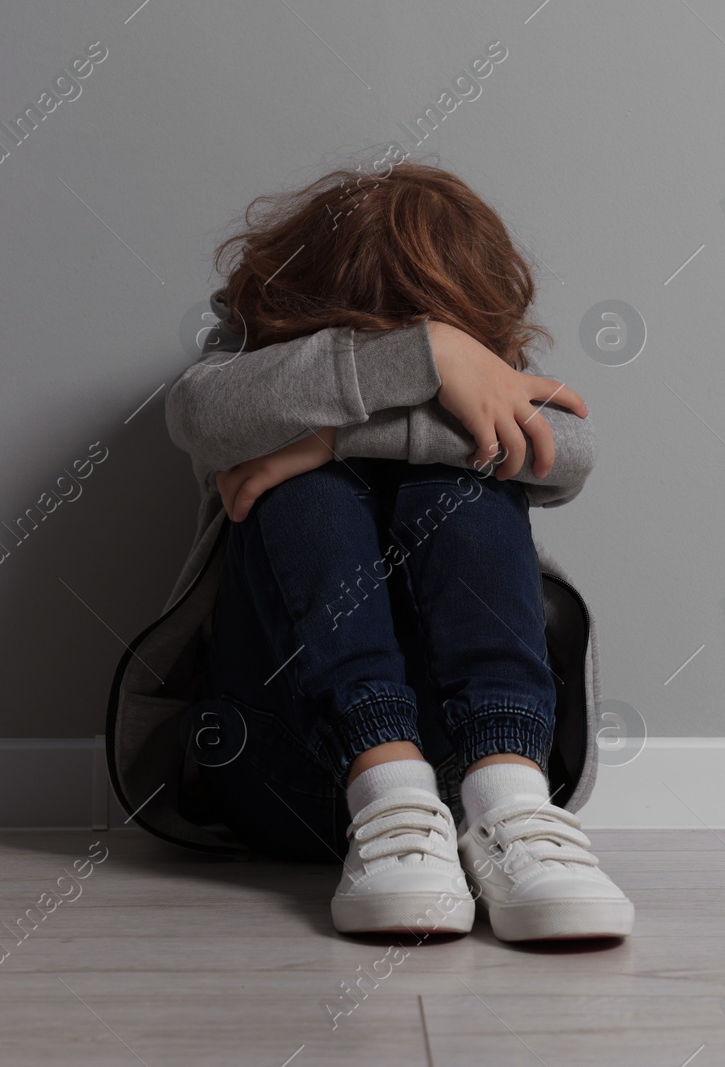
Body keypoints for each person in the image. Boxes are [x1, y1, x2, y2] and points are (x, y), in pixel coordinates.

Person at [159, 162, 632, 941]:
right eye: (368, 344)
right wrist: (427, 358)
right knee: (303, 490)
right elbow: (196, 411)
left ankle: (514, 798)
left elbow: (568, 450)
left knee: (473, 477)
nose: (415, 359)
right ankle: (385, 780)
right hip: (282, 766)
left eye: (431, 342)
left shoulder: (491, 383)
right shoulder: (245, 386)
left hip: (470, 782)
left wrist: (331, 435)